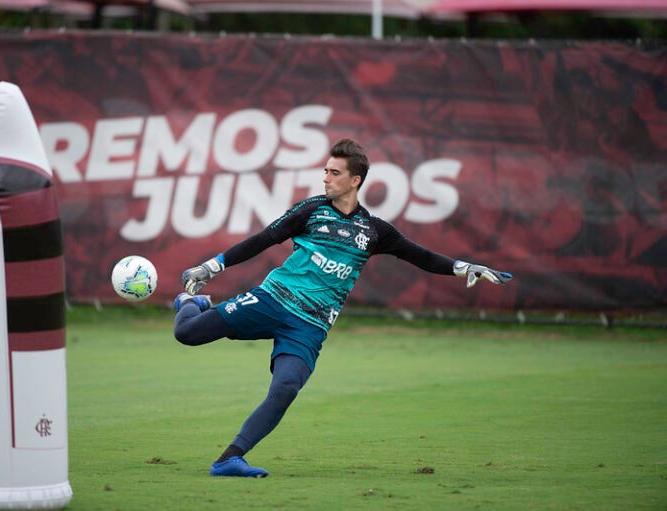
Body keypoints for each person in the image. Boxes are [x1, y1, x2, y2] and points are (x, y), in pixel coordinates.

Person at [173, 138, 512, 478]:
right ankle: (191, 302)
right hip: (271, 300)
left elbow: (420, 256)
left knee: (286, 388)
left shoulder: (373, 230)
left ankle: (229, 459)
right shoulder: (310, 210)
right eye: (325, 171)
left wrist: (466, 267)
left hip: (309, 326)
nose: (325, 178)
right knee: (186, 333)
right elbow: (262, 239)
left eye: (334, 173)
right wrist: (211, 267)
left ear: (355, 180)